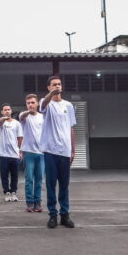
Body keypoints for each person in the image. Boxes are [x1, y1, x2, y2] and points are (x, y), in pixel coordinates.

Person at [39, 76, 76, 229]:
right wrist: (51, 94)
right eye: (54, 85)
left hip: (65, 151)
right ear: (48, 87)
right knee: (51, 184)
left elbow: (71, 128)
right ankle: (52, 215)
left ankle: (65, 215)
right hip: (50, 150)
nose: (57, 86)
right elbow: (43, 104)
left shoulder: (69, 105)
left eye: (59, 84)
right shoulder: (45, 103)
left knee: (64, 185)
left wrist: (73, 150)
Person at [19, 93, 45, 212]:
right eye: (28, 103)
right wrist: (29, 111)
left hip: (41, 153)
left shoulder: (42, 117)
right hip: (28, 152)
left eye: (33, 102)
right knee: (29, 179)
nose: (30, 105)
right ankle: (29, 203)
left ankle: (37, 203)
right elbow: (22, 116)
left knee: (39, 179)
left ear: (37, 103)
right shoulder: (24, 116)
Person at [0, 104, 23, 202]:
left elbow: (20, 138)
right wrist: (4, 118)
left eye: (8, 109)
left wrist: (20, 151)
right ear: (2, 112)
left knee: (15, 175)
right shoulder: (0, 122)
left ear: (11, 111)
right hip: (3, 154)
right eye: (5, 110)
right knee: (4, 175)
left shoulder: (17, 124)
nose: (7, 111)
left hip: (14, 154)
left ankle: (14, 192)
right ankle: (6, 192)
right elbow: (0, 122)